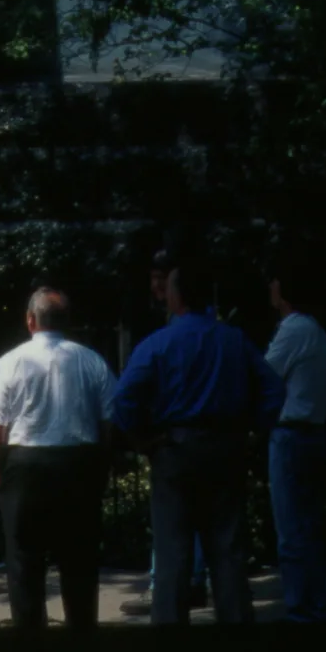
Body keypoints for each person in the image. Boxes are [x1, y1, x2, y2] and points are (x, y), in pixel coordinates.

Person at [112, 261, 285, 625]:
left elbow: (124, 399)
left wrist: (143, 440)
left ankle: (172, 647)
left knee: (173, 553)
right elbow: (273, 388)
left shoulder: (159, 343)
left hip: (174, 451)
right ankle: (236, 642)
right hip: (226, 449)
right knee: (228, 551)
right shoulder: (234, 340)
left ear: (176, 297)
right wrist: (255, 430)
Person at [0, 288, 117, 630]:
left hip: (26, 466)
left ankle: (30, 638)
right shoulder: (92, 361)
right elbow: (110, 423)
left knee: (24, 560)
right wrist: (102, 466)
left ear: (30, 320)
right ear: (67, 321)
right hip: (78, 465)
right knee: (79, 560)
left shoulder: (11, 361)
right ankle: (81, 636)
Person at [120, 248, 211, 618]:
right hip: (211, 439)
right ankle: (194, 584)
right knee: (211, 522)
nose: (157, 288)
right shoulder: (218, 331)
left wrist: (139, 437)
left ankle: (169, 590)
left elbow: (124, 397)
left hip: (173, 438)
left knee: (172, 521)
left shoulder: (169, 334)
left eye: (162, 281)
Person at [264, 250, 326, 623]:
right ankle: (316, 606)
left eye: (275, 281)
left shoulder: (293, 329)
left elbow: (264, 377)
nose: (271, 287)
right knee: (308, 528)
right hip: (312, 434)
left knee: (291, 531)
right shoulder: (316, 330)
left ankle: (301, 612)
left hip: (291, 436)